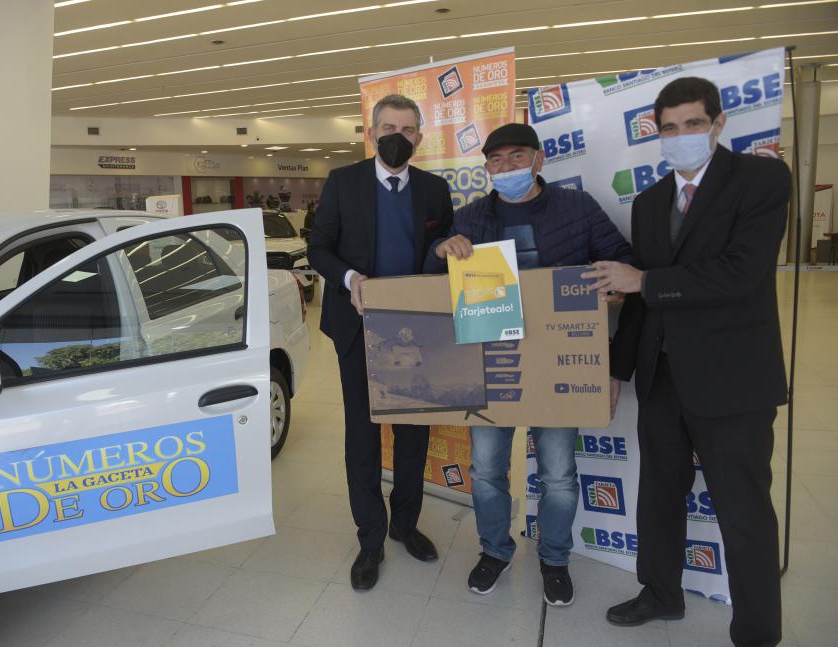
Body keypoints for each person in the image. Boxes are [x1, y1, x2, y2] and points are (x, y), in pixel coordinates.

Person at [582, 76, 790, 647]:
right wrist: (616, 371)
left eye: (693, 124)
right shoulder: (650, 203)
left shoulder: (762, 180)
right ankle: (661, 594)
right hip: (662, 375)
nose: (681, 136)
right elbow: (641, 303)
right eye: (669, 128)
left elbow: (741, 274)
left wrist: (645, 280)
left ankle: (756, 630)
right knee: (658, 495)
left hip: (733, 378)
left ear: (718, 124)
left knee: (743, 510)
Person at [424, 123, 633, 604]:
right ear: (487, 169)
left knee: (558, 473)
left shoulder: (576, 208)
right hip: (491, 364)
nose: (506, 168)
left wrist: (614, 286)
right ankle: (495, 551)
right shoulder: (472, 217)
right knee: (487, 469)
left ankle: (554, 559)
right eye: (495, 161)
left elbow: (620, 261)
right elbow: (430, 277)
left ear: (538, 160)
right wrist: (441, 251)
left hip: (558, 366)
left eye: (516, 158)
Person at [308, 94, 455, 591]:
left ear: (419, 135)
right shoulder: (343, 182)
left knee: (414, 434)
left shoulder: (435, 190)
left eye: (408, 127)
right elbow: (318, 247)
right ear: (371, 132)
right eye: (389, 126)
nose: (398, 135)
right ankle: (370, 539)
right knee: (364, 438)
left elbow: (443, 251)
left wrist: (446, 250)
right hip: (358, 326)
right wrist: (350, 278)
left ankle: (405, 526)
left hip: (417, 330)